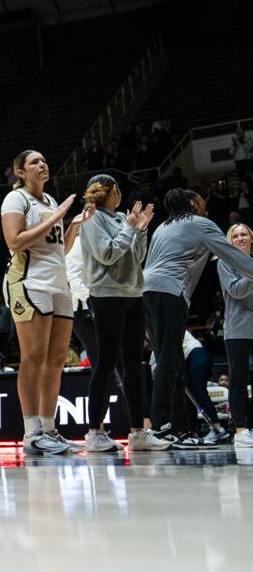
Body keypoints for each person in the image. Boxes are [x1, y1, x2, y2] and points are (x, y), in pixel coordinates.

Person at [143, 189, 253, 445]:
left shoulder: (162, 227)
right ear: (192, 204)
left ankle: (180, 430)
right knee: (169, 362)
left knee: (172, 362)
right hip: (169, 293)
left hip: (148, 292)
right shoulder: (200, 224)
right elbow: (233, 255)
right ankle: (160, 427)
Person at [77, 176, 170, 452]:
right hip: (106, 295)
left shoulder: (120, 218)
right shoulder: (92, 218)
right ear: (111, 191)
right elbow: (107, 254)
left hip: (132, 294)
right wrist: (130, 230)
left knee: (133, 364)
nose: (121, 194)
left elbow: (136, 256)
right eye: (117, 189)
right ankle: (95, 432)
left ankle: (138, 432)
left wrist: (140, 232)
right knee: (106, 363)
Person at [1, 150, 79, 455]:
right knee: (33, 357)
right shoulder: (16, 199)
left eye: (45, 160)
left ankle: (49, 429)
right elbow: (15, 241)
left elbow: (59, 249)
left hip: (58, 283)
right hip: (28, 282)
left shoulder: (48, 201)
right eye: (34, 162)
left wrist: (74, 226)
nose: (42, 164)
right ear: (19, 171)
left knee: (57, 361)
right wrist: (59, 217)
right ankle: (31, 432)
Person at [222, 224, 253, 448]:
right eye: (236, 235)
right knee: (238, 382)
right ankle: (241, 431)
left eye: (244, 234)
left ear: (251, 239)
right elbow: (236, 290)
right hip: (237, 329)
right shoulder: (225, 262)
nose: (240, 238)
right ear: (230, 241)